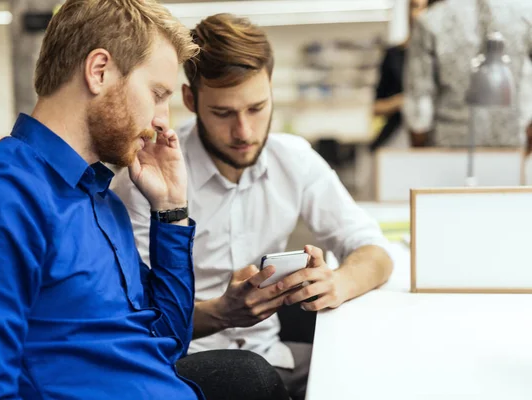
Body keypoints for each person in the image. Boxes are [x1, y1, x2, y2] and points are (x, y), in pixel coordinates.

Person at [112, 13, 394, 400]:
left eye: (257, 108)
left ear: (271, 91)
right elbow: (135, 321)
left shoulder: (293, 159)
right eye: (224, 113)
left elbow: (375, 252)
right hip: (183, 368)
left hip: (271, 357)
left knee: (373, 374)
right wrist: (221, 312)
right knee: (249, 378)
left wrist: (337, 282)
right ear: (191, 100)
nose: (244, 132)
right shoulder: (146, 180)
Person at [0, 0, 203, 398]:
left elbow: (164, 343)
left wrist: (171, 210)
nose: (163, 119)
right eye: (157, 93)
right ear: (99, 71)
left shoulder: (102, 200)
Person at [403, 0, 532, 148]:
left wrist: (419, 153)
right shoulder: (524, 15)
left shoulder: (431, 21)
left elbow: (419, 101)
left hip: (448, 145)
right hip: (509, 141)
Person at [370, 0, 432, 151]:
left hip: (431, 140)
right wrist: (401, 101)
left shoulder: (438, 55)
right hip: (397, 139)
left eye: (425, 8)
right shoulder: (394, 55)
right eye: (415, 7)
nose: (419, 14)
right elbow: (375, 108)